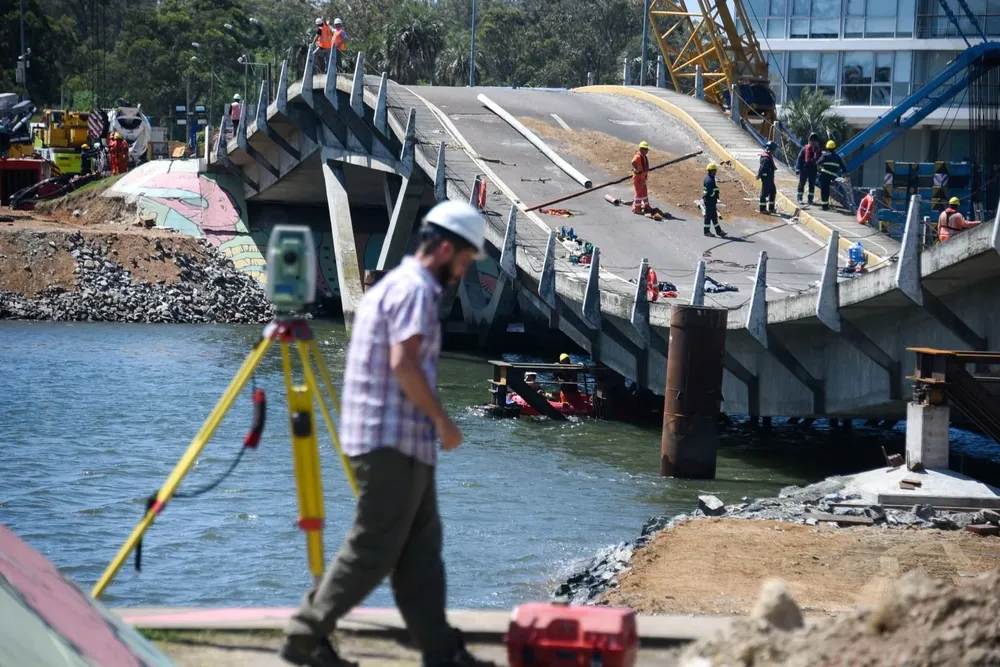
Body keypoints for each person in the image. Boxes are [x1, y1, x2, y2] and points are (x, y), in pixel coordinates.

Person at [280, 200, 494, 667]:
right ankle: (304, 636)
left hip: (396, 440)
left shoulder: (393, 285)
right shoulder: (415, 290)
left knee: (420, 554)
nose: (463, 271)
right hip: (391, 442)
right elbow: (405, 364)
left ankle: (440, 651)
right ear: (445, 249)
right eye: (464, 259)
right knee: (373, 549)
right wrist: (443, 420)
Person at [818, 140, 847, 211]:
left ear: (827, 148)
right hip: (832, 176)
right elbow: (843, 167)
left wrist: (819, 168)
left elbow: (818, 162)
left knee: (823, 190)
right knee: (827, 190)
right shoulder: (837, 157)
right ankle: (826, 205)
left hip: (824, 175)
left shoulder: (825, 155)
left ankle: (824, 206)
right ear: (834, 148)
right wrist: (845, 173)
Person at [795, 132, 821, 205]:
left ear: (817, 142)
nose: (813, 142)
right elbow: (799, 159)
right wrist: (797, 168)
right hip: (804, 169)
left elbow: (821, 161)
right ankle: (799, 198)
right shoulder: (805, 149)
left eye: (815, 140)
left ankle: (810, 199)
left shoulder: (818, 151)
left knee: (812, 185)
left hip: (813, 170)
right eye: (812, 140)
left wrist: (820, 171)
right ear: (809, 141)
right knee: (801, 184)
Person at [702, 163, 727, 238]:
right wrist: (715, 196)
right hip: (709, 201)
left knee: (713, 216)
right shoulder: (709, 180)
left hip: (710, 201)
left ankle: (718, 231)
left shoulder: (711, 178)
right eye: (714, 171)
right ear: (711, 171)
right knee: (708, 216)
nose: (715, 172)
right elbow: (710, 192)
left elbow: (714, 189)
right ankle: (706, 231)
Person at [631, 140, 652, 214]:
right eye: (645, 149)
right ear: (641, 149)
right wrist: (636, 169)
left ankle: (646, 206)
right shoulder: (638, 156)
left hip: (642, 178)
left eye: (647, 150)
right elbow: (633, 162)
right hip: (638, 178)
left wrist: (645, 176)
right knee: (639, 194)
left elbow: (645, 168)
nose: (647, 151)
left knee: (644, 193)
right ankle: (637, 209)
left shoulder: (644, 156)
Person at [757, 141, 777, 214]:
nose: (774, 151)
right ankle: (762, 209)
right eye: (774, 149)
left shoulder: (768, 156)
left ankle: (771, 208)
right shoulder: (766, 158)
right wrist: (759, 175)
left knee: (773, 191)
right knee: (764, 193)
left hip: (769, 177)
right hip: (767, 177)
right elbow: (762, 168)